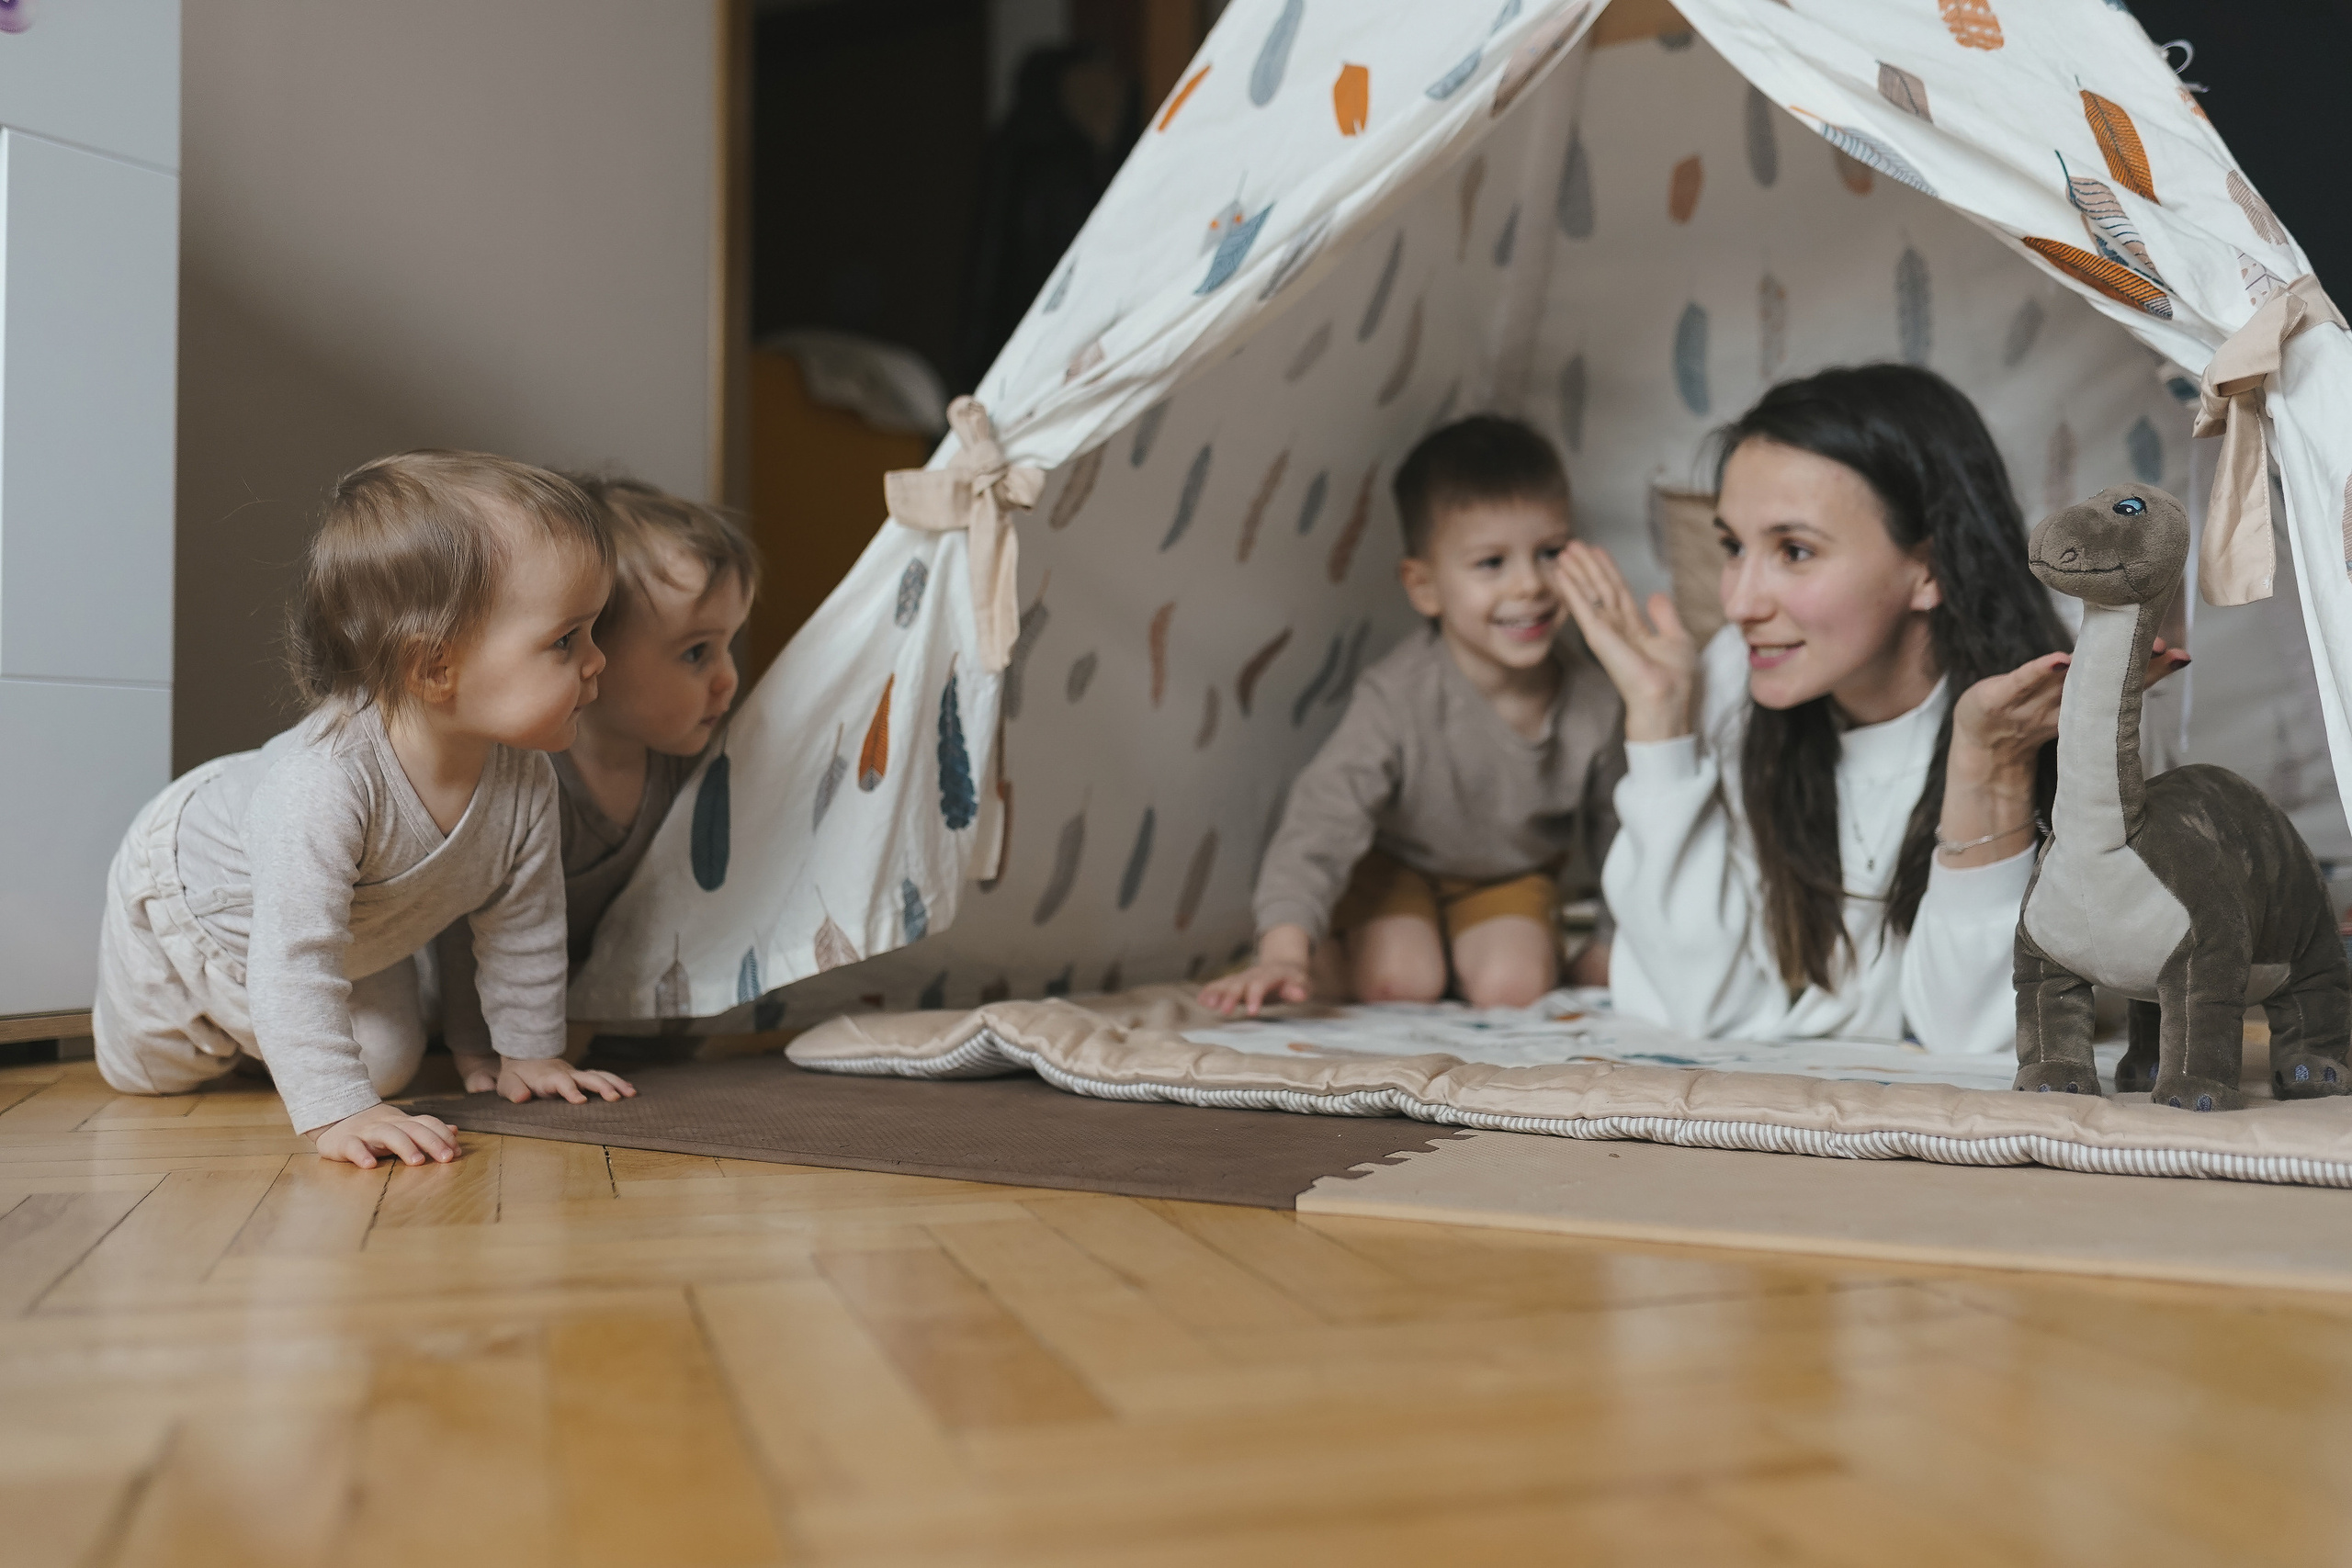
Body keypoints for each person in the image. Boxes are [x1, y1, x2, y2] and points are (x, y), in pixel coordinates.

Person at [1556, 364, 2188, 1052]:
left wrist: (1991, 766)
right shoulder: (1730, 679)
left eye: (1794, 551)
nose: (1738, 603)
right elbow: (1696, 1004)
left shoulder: (2059, 698)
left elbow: (1979, 1028)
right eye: (1733, 546)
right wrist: (1660, 726)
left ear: (1928, 569)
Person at [93, 453, 636, 1168]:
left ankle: (276, 1042)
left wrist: (527, 1054)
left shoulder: (526, 779)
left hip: (357, 927)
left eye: (593, 632)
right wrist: (337, 1114)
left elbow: (521, 925)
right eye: (566, 640)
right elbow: (294, 956)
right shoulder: (324, 783)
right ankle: (243, 1028)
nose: (597, 661)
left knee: (386, 1064)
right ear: (434, 666)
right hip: (201, 901)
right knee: (152, 1074)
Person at [1202, 416, 1624, 1018]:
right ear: (1424, 587)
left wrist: (1613, 942)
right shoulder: (1398, 696)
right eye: (1490, 563)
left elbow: (1622, 829)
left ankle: (1480, 954)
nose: (1530, 584)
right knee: (1401, 981)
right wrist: (1284, 948)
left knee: (1516, 988)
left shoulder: (1595, 699)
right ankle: (1319, 959)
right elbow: (1322, 820)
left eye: (1550, 553)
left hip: (1507, 875)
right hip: (1394, 868)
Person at [435, 476, 760, 1088]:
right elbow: (466, 923)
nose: (728, 679)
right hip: (481, 997)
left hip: (590, 995)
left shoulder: (687, 760)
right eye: (696, 653)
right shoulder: (529, 778)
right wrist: (482, 1050)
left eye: (728, 645)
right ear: (591, 655)